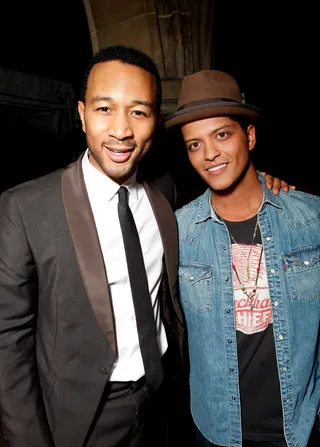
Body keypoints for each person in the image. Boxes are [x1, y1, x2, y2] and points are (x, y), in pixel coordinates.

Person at [0, 46, 290, 447]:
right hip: (78, 419)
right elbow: (8, 340)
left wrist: (270, 185)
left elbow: (228, 180)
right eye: (105, 109)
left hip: (163, 404)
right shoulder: (25, 207)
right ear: (82, 114)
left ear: (156, 120)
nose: (121, 130)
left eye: (138, 111)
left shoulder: (164, 191)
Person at [163, 69, 320, 447]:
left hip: (303, 427)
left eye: (221, 135)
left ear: (249, 136)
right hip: (217, 429)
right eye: (194, 144)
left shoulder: (311, 219)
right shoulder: (177, 232)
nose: (210, 154)